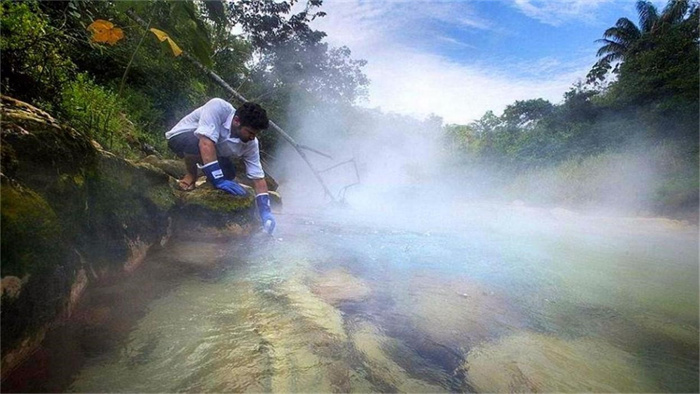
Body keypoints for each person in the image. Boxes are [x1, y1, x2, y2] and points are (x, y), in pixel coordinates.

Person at [165, 98, 276, 234]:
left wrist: (266, 212)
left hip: (212, 148)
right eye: (250, 132)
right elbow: (205, 143)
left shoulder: (251, 144)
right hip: (182, 137)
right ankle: (191, 175)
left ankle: (207, 179)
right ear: (236, 121)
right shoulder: (218, 107)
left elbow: (258, 178)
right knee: (195, 144)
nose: (253, 137)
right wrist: (218, 179)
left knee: (229, 174)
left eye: (255, 134)